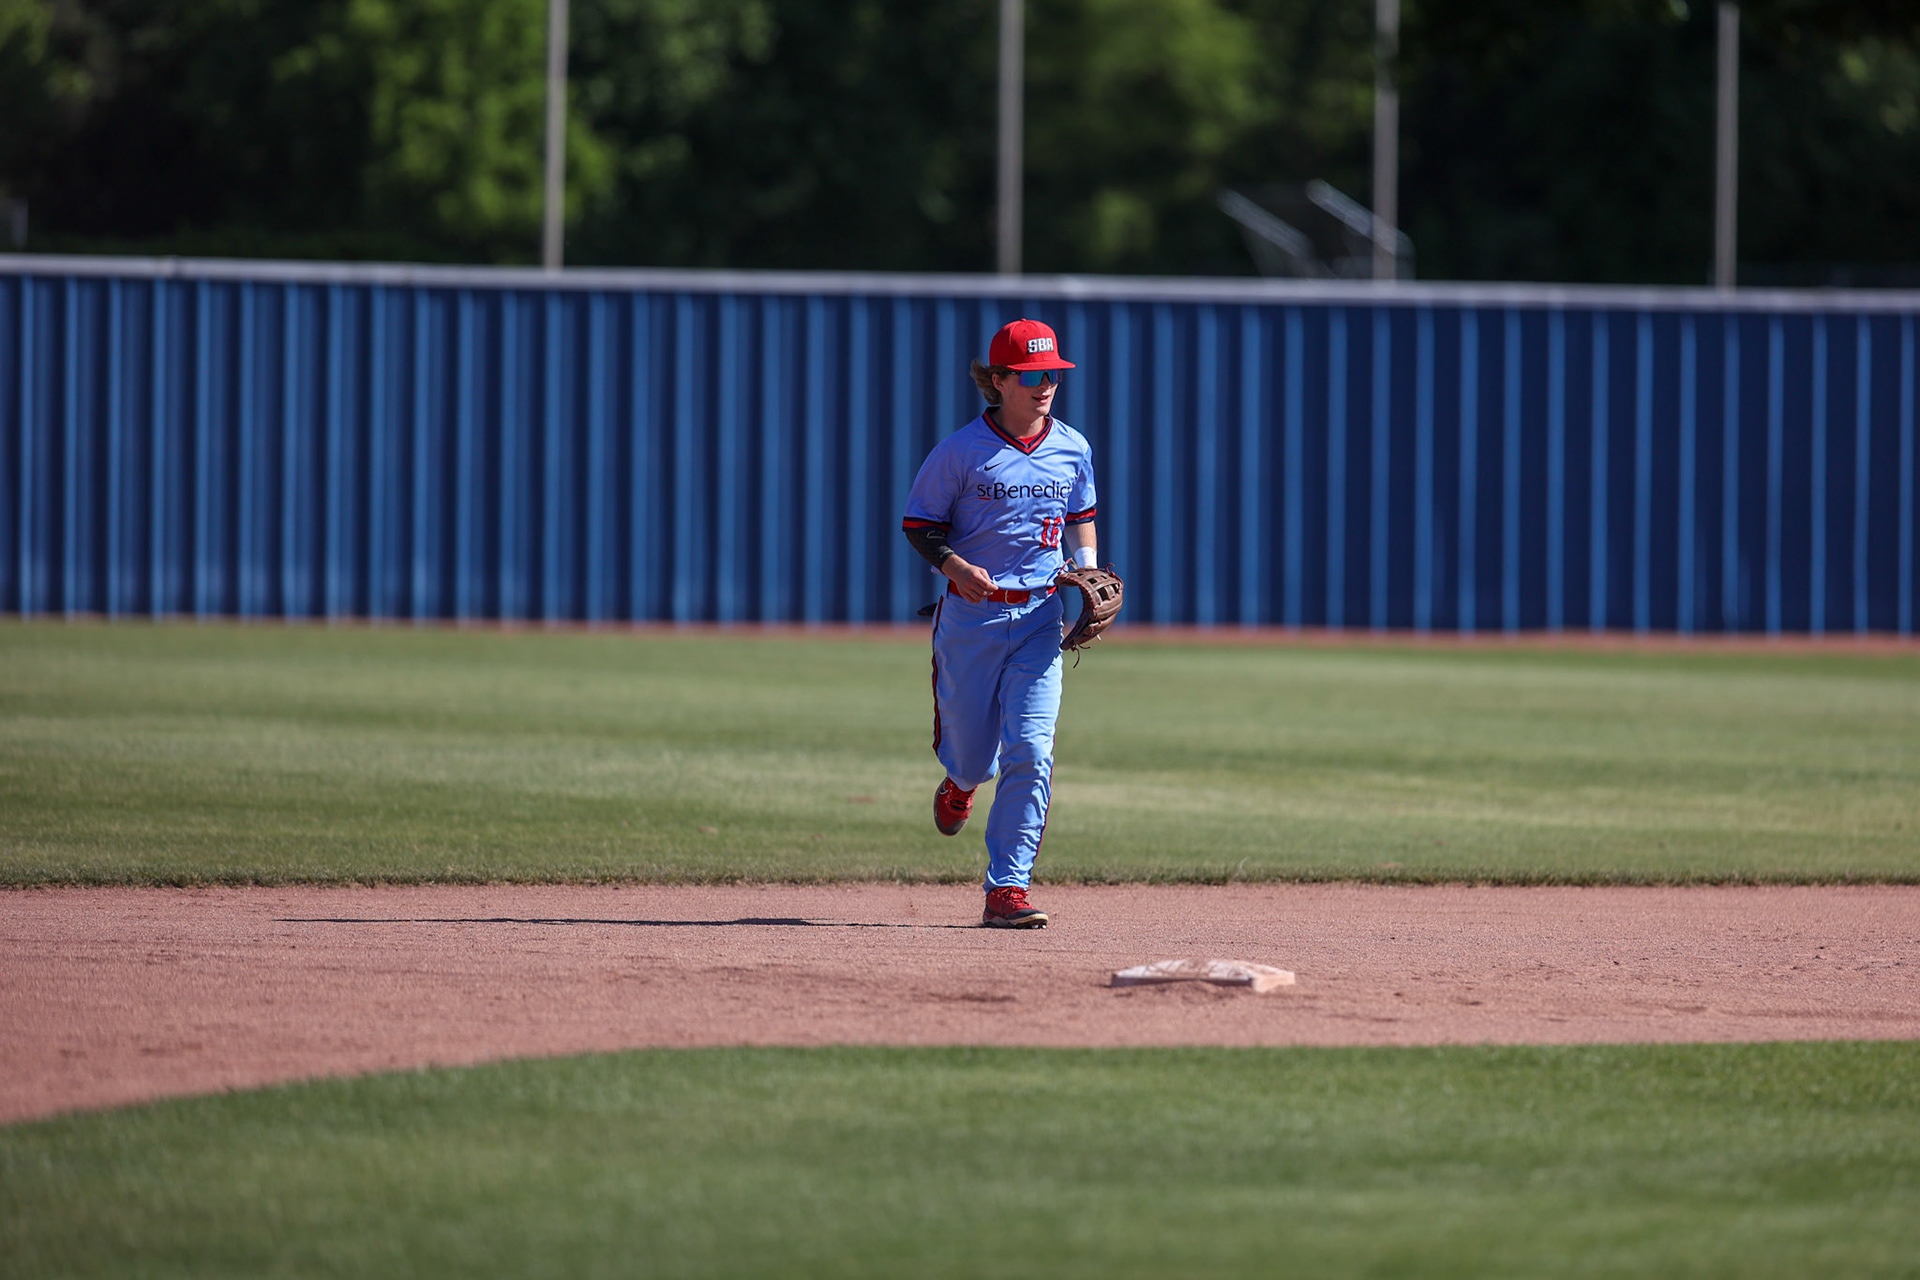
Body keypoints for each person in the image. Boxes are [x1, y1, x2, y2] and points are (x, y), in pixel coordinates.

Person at [900, 318, 1101, 928]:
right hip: (970, 621)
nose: (1046, 386)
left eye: (1054, 375)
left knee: (1033, 749)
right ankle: (959, 784)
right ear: (998, 380)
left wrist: (1089, 572)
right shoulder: (960, 452)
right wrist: (957, 567)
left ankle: (1006, 889)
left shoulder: (1072, 446)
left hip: (1041, 616)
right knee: (970, 757)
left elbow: (1082, 514)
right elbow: (920, 526)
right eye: (1034, 374)